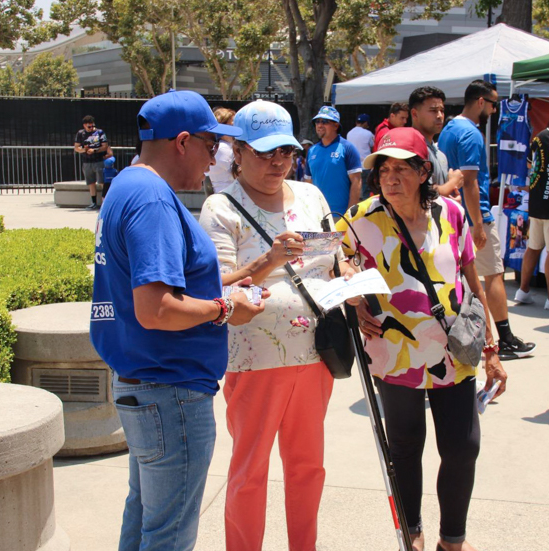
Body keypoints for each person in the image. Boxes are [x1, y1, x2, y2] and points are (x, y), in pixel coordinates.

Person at [89, 90, 265, 551]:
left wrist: (246, 273)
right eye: (213, 146)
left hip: (146, 384)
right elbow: (157, 309)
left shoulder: (128, 184)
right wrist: (227, 310)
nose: (216, 159)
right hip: (170, 392)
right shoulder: (153, 201)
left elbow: (167, 284)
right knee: (168, 536)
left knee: (145, 518)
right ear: (182, 142)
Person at [337, 127, 508, 551]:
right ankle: (411, 533)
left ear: (423, 170)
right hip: (395, 352)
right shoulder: (358, 221)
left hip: (455, 349)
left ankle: (453, 539)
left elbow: (472, 279)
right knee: (406, 449)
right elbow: (334, 268)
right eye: (384, 169)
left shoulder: (449, 212)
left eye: (401, 169)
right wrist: (353, 299)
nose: (391, 178)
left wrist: (491, 346)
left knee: (463, 447)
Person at [199, 99, 356, 551]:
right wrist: (270, 260)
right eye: (266, 153)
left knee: (308, 466)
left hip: (318, 353)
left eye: (285, 152)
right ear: (239, 151)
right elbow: (219, 286)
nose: (278, 162)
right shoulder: (221, 207)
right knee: (250, 470)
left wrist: (347, 272)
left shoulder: (311, 195)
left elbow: (335, 257)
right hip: (255, 358)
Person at [438, 80, 536, 361]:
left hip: (454, 215)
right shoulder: (470, 133)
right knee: (493, 276)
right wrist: (479, 224)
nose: (494, 110)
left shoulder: (450, 129)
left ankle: (474, 338)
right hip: (473, 215)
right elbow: (469, 182)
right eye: (493, 104)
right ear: (481, 101)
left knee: (464, 282)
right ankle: (502, 340)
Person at [304, 105, 362, 218]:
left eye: (324, 121)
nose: (319, 125)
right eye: (317, 122)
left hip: (340, 214)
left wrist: (349, 214)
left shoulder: (348, 148)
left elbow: (356, 182)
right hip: (317, 214)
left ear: (335, 125)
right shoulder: (312, 151)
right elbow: (308, 183)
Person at [514, 124, 549, 309]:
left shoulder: (539, 137)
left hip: (536, 201)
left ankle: (523, 290)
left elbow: (529, 164)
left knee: (533, 247)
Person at [409, 86, 463, 199]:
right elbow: (419, 191)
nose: (439, 116)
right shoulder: (411, 146)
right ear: (414, 114)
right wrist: (453, 182)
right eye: (433, 111)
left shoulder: (439, 153)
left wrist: (452, 203)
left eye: (442, 111)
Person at [74, 115, 108, 210]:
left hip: (98, 160)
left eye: (92, 126)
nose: (91, 128)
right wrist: (84, 150)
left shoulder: (99, 132)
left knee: (102, 181)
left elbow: (105, 146)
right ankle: (93, 202)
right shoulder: (81, 134)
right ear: (84, 125)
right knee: (91, 182)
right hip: (87, 161)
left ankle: (105, 202)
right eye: (89, 126)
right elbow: (77, 147)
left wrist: (95, 150)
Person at [207, 107, 237, 193]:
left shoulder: (216, 146)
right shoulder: (223, 148)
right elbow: (241, 174)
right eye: (231, 126)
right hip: (230, 198)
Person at [347, 113, 375, 199]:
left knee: (355, 190)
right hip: (365, 165)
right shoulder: (368, 134)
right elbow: (373, 145)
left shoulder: (349, 133)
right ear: (366, 123)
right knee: (366, 190)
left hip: (353, 167)